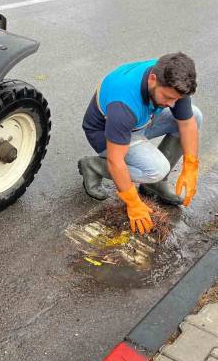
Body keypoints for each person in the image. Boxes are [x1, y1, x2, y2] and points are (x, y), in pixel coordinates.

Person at [79, 52, 202, 234]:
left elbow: (186, 123)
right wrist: (133, 203)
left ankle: (155, 185)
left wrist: (191, 166)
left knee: (195, 115)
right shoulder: (123, 104)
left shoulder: (170, 76)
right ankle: (95, 166)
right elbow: (116, 160)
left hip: (141, 121)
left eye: (176, 99)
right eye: (168, 98)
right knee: (155, 170)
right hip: (107, 134)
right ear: (153, 79)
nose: (172, 104)